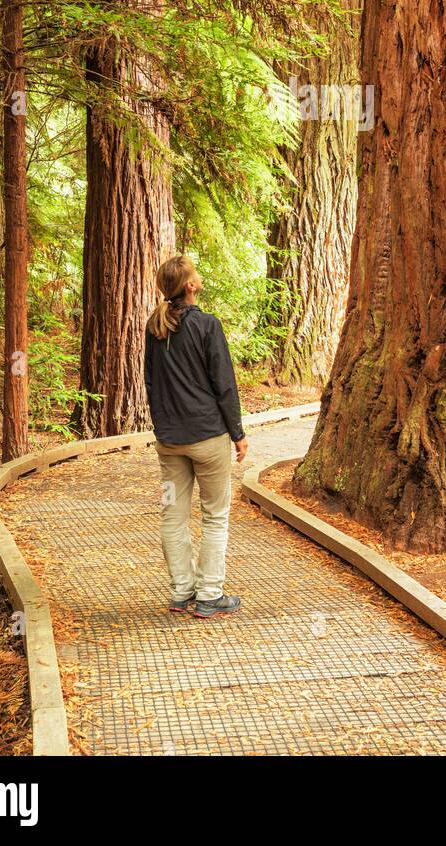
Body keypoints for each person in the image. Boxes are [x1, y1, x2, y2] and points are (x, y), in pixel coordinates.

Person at [144, 255, 247, 619]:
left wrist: (162, 427)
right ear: (190, 286)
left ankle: (181, 591)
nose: (199, 278)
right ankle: (209, 594)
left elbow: (151, 384)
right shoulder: (207, 325)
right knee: (215, 515)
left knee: (173, 514)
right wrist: (238, 434)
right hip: (208, 438)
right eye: (195, 275)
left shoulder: (154, 327)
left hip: (170, 442)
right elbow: (224, 385)